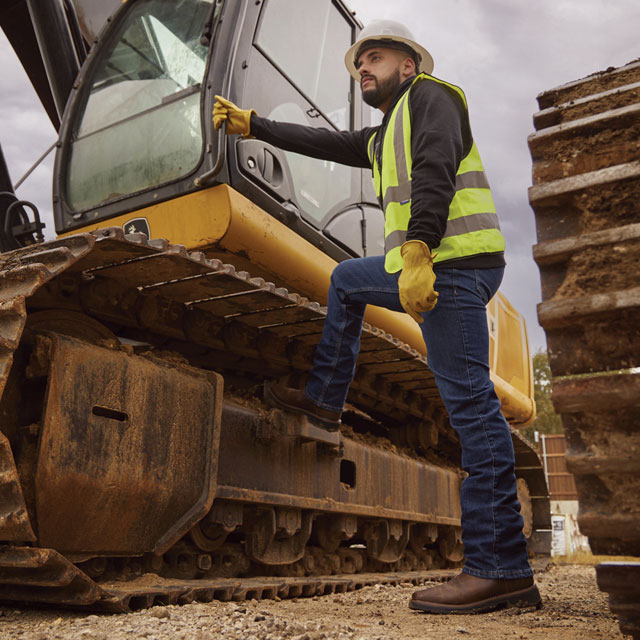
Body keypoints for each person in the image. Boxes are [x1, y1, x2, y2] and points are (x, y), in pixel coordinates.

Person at [213, 20, 540, 614]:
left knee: (470, 408)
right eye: (358, 63)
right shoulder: (385, 132)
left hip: (452, 267)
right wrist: (254, 125)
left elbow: (438, 167)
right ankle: (323, 401)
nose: (362, 67)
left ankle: (501, 569)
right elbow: (328, 143)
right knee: (346, 280)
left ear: (409, 64)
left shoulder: (433, 99)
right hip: (429, 263)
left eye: (375, 56)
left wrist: (418, 249)